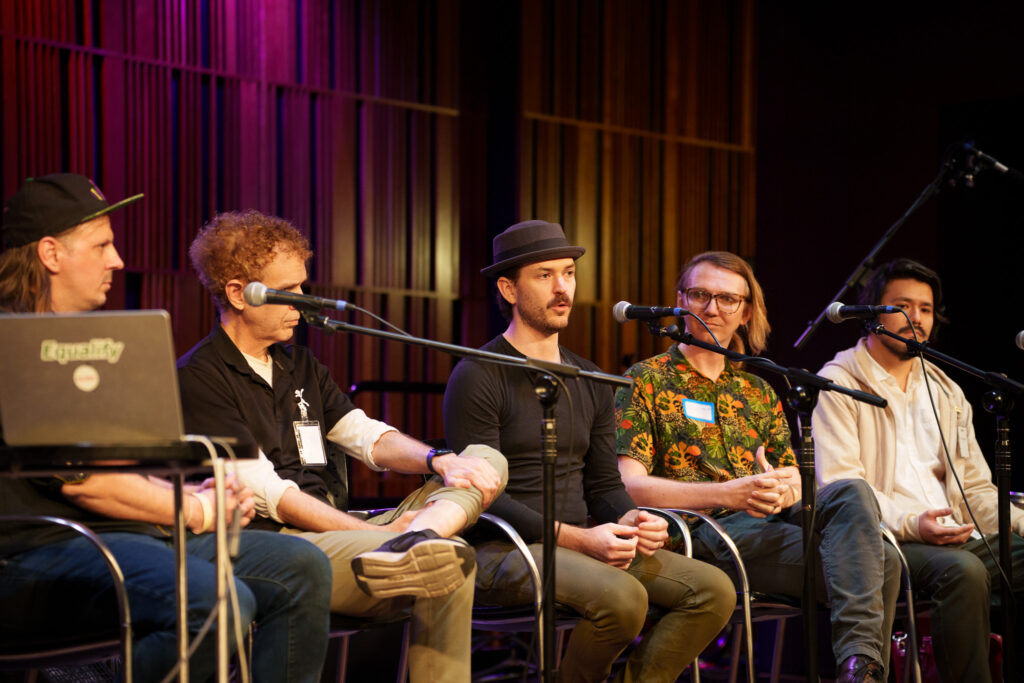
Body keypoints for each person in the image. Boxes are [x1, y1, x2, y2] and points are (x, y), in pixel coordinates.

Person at [0, 174, 333, 682]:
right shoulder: (14, 344)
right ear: (51, 253)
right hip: (39, 552)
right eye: (103, 245)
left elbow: (111, 465)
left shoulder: (89, 342)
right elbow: (84, 482)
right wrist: (197, 509)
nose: (118, 260)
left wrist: (191, 489)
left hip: (119, 537)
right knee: (217, 600)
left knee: (302, 567)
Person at [177, 209, 507, 681]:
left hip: (352, 531)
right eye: (286, 292)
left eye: (302, 288)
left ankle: (420, 537)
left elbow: (364, 434)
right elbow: (272, 496)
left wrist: (440, 460)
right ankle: (411, 547)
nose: (302, 303)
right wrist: (373, 536)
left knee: (481, 459)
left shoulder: (301, 365)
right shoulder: (200, 378)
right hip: (284, 544)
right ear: (237, 293)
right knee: (451, 563)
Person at [443, 220, 736, 683]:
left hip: (584, 541)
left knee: (714, 590)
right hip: (502, 547)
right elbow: (481, 497)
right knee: (623, 598)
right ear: (508, 288)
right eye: (544, 275)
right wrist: (579, 539)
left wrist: (629, 520)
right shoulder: (479, 375)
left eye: (568, 273)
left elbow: (603, 483)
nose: (563, 288)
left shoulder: (589, 377)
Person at [615, 250, 901, 683]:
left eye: (728, 299)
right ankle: (862, 673)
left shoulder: (759, 389)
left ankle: (858, 668)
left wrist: (784, 486)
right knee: (881, 567)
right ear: (680, 300)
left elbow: (792, 481)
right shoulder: (646, 379)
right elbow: (629, 485)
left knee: (852, 493)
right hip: (702, 533)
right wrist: (727, 493)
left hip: (766, 524)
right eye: (700, 295)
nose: (713, 308)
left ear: (746, 311)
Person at [812, 257, 1024, 683]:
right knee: (964, 572)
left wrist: (1020, 522)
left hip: (955, 534)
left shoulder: (946, 389)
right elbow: (840, 486)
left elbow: (976, 490)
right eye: (903, 306)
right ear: (872, 314)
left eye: (925, 309)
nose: (917, 319)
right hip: (887, 542)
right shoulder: (838, 383)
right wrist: (913, 523)